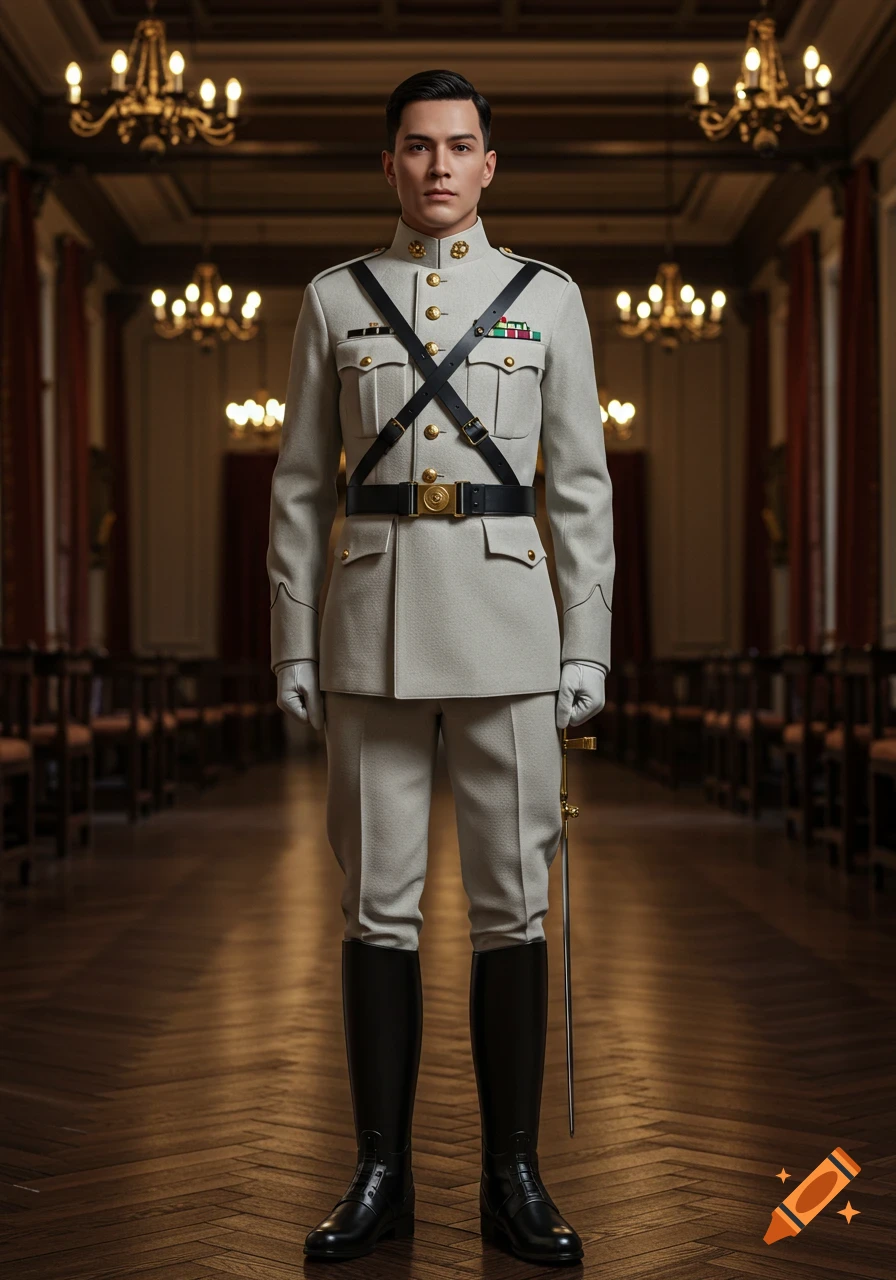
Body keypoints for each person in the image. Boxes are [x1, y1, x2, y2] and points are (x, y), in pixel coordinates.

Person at [267, 68, 614, 1265]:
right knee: (378, 912)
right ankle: (379, 1173)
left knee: (514, 910)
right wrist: (292, 638)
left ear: (488, 166)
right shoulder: (333, 300)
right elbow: (302, 486)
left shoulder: (545, 301)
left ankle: (513, 1174)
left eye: (459, 147)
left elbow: (577, 488)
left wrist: (586, 641)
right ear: (388, 165)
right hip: (368, 631)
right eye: (416, 148)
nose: (437, 168)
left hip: (511, 634)